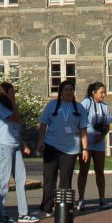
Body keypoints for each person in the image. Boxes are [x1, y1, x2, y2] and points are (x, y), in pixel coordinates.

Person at [39, 78, 88, 215]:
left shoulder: (79, 108)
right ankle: (47, 207)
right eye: (66, 90)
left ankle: (64, 207)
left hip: (71, 148)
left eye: (71, 90)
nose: (68, 92)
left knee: (66, 179)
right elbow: (43, 125)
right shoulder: (52, 105)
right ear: (61, 92)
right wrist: (40, 141)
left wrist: (85, 149)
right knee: (49, 178)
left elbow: (83, 129)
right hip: (52, 145)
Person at [0, 80, 32, 223]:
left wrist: (23, 143)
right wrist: (12, 101)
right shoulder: (0, 106)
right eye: (12, 92)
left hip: (15, 144)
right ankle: (0, 214)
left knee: (21, 178)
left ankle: (23, 212)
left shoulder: (10, 106)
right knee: (3, 180)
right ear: (6, 93)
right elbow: (15, 118)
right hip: (4, 145)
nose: (14, 95)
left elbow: (16, 125)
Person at [81, 81, 112, 208]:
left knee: (99, 170)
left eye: (104, 92)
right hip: (86, 142)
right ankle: (81, 198)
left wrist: (102, 135)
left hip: (99, 143)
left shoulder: (104, 106)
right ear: (93, 93)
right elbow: (79, 121)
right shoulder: (86, 103)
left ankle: (102, 197)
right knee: (84, 170)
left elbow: (107, 124)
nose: (104, 95)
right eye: (101, 92)